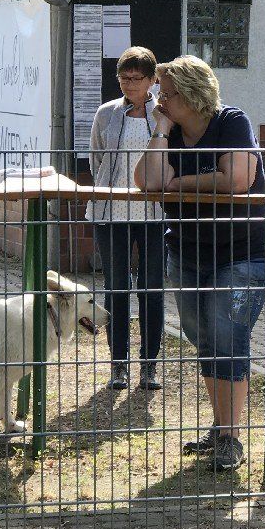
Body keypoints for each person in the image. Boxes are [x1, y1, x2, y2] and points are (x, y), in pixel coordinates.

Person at [134, 55, 265, 472]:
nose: (159, 101)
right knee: (204, 338)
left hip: (241, 253)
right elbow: (148, 181)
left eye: (167, 94)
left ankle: (230, 437)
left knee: (227, 337)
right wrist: (160, 131)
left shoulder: (231, 122)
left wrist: (179, 183)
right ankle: (220, 426)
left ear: (192, 96)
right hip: (188, 253)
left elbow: (237, 179)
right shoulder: (170, 132)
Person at [87, 47, 165, 392]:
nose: (129, 84)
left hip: (154, 214)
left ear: (152, 80)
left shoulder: (164, 113)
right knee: (116, 288)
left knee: (151, 289)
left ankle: (149, 366)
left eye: (136, 78)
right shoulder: (106, 113)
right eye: (124, 77)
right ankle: (118, 364)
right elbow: (96, 158)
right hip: (111, 212)